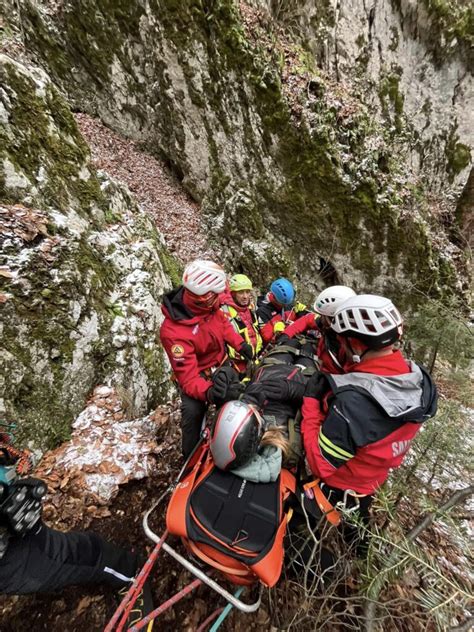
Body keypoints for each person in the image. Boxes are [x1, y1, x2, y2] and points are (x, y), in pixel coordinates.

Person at [301, 294, 438, 541]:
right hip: (373, 479)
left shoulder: (354, 403)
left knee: (299, 525)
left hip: (340, 484)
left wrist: (311, 405)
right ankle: (361, 554)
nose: (341, 346)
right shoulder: (418, 379)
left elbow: (320, 463)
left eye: (343, 342)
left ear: (355, 343)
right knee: (358, 533)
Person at [0, 440, 153, 629]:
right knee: (61, 554)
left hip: (13, 546)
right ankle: (125, 569)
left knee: (64, 554)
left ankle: (130, 573)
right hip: (11, 547)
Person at [160, 260, 253, 458]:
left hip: (221, 366)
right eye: (216, 295)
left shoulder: (210, 306)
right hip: (196, 376)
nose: (221, 298)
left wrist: (239, 344)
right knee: (192, 415)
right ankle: (190, 459)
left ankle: (231, 445)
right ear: (204, 297)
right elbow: (188, 377)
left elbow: (222, 323)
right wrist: (210, 393)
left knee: (234, 402)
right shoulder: (173, 332)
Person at [210, 339, 319, 482]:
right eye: (252, 412)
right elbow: (317, 411)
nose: (251, 406)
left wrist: (223, 374)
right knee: (308, 347)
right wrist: (298, 392)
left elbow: (233, 382)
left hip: (271, 366)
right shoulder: (282, 442)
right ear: (257, 430)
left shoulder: (240, 417)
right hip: (303, 377)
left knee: (290, 342)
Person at [277, 285, 356, 373]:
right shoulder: (328, 326)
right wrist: (286, 334)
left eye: (323, 315)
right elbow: (306, 320)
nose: (320, 317)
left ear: (331, 318)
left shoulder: (349, 345)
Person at [221, 274, 263, 376]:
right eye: (241, 292)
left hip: (256, 359)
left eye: (247, 292)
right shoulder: (224, 312)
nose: (245, 296)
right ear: (233, 293)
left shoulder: (251, 308)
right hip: (235, 366)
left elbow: (259, 329)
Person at [256, 278, 308, 344]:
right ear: (275, 299)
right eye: (283, 303)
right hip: (276, 345)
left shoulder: (286, 302)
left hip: (291, 337)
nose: (286, 305)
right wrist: (276, 331)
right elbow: (266, 338)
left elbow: (297, 319)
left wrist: (300, 313)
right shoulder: (262, 311)